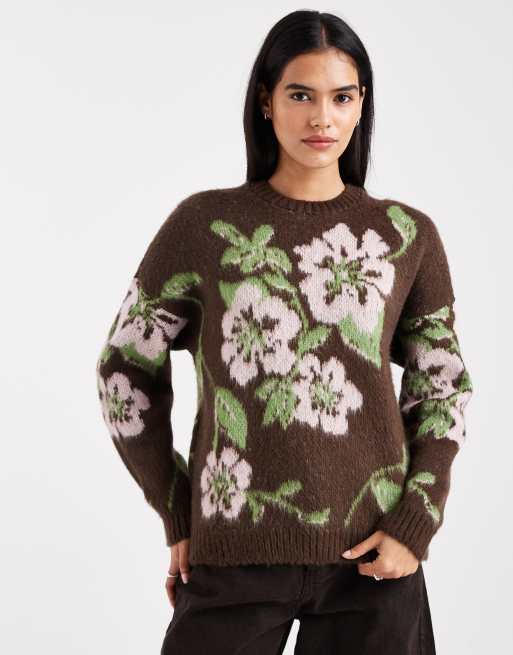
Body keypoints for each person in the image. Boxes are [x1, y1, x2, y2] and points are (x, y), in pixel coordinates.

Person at [95, 9, 473, 654]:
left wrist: (416, 521)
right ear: (266, 102)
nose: (322, 118)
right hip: (233, 552)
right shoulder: (203, 225)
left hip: (375, 558)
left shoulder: (406, 235)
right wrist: (176, 507)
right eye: (301, 95)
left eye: (341, 97)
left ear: (361, 106)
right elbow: (123, 367)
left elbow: (443, 387)